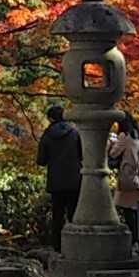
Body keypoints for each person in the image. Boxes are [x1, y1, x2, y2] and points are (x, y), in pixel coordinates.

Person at [36, 104, 82, 251]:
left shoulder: (47, 135)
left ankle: (58, 246)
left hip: (56, 180)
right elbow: (82, 154)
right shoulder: (74, 133)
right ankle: (76, 245)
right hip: (75, 179)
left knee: (57, 215)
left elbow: (41, 160)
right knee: (74, 213)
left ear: (50, 118)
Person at [108, 114, 139, 252]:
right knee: (138, 208)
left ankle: (134, 240)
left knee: (127, 207)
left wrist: (111, 143)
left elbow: (114, 153)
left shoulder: (125, 136)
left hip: (128, 175)